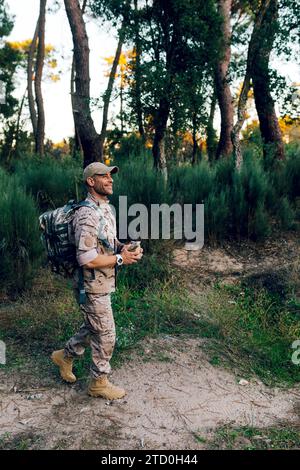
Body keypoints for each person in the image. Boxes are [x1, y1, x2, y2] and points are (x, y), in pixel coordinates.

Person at [51, 162, 143, 400]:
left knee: (94, 326)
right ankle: (98, 383)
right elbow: (86, 258)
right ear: (91, 182)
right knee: (106, 333)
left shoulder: (105, 209)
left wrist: (125, 249)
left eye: (111, 176)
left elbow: (106, 243)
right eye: (104, 176)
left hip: (103, 281)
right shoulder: (86, 214)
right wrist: (121, 260)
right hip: (90, 284)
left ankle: (65, 356)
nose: (110, 180)